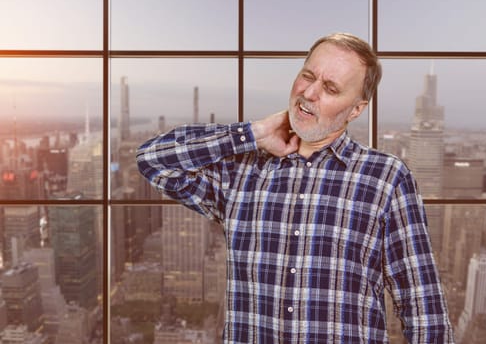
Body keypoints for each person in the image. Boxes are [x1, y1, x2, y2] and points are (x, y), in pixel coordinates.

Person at [136, 32, 454, 343]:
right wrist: (253, 132)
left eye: (330, 88)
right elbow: (153, 159)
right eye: (307, 76)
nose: (310, 93)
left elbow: (422, 307)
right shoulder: (241, 171)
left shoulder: (386, 179)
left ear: (356, 109)